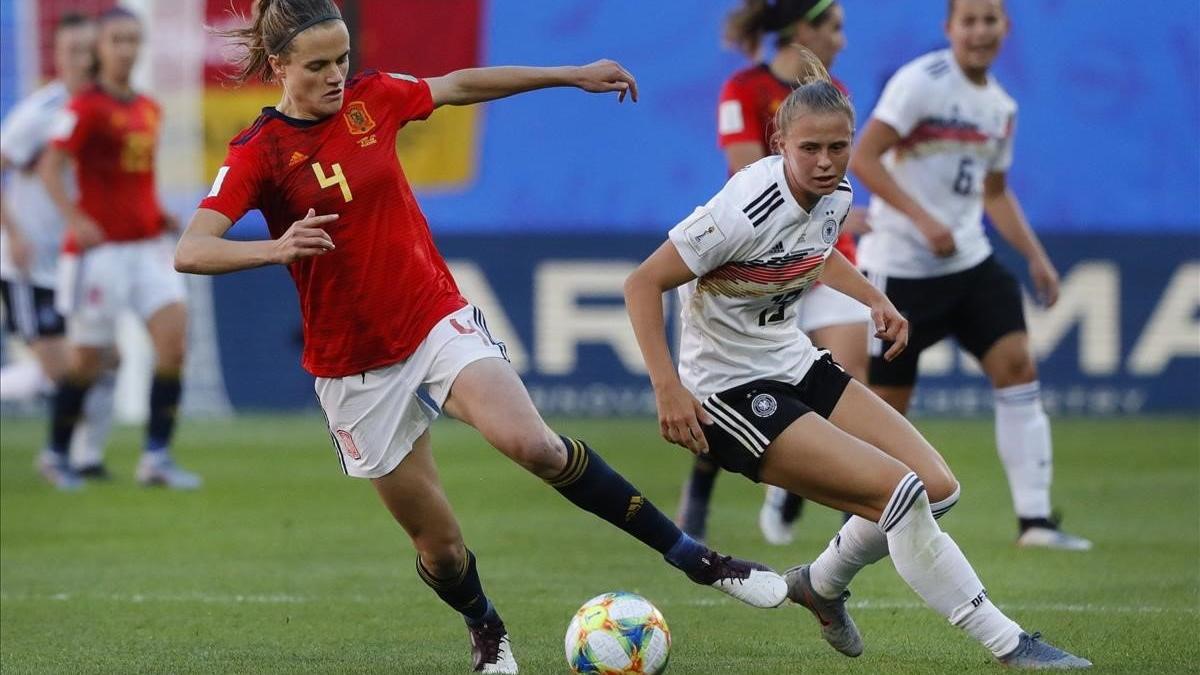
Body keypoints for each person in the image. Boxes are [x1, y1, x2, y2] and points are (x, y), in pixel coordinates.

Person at [175, 1, 786, 672]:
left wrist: (571, 73)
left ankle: (697, 557)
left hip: (433, 318)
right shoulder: (260, 153)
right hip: (353, 369)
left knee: (535, 444)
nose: (335, 76)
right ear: (281, 66)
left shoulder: (372, 100)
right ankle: (485, 625)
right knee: (438, 548)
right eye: (317, 66)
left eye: (342, 59)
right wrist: (276, 248)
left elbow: (461, 84)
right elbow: (193, 249)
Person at [624, 49, 1090, 668]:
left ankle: (819, 583)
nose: (825, 162)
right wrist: (667, 386)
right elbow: (641, 283)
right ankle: (1010, 644)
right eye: (810, 148)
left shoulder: (837, 193)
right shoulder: (740, 208)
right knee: (899, 494)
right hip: (728, 393)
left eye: (838, 147)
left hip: (791, 359)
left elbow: (817, 250)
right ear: (779, 142)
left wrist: (875, 298)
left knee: (939, 489)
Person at [848, 0, 1090, 549]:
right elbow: (864, 158)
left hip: (969, 263)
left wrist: (1035, 255)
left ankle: (1035, 523)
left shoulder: (1001, 106)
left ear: (1006, 27)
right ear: (949, 28)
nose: (981, 31)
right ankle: (856, 531)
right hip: (901, 267)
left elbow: (995, 193)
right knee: (889, 409)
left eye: (991, 19)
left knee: (1017, 364)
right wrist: (922, 219)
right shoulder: (921, 82)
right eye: (970, 20)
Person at [678, 0, 871, 547]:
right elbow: (743, 172)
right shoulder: (743, 88)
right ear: (803, 27)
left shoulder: (834, 96)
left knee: (846, 374)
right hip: (758, 256)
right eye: (834, 27)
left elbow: (833, 183)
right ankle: (700, 488)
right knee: (737, 382)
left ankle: (848, 519)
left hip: (825, 251)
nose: (842, 39)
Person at [38, 7, 199, 491]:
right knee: (88, 361)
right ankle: (57, 453)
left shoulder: (150, 107)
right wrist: (75, 217)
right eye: (117, 41)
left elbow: (137, 181)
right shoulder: (84, 107)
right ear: (100, 49)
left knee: (174, 343)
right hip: (99, 254)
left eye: (133, 39)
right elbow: (50, 167)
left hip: (146, 246)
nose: (126, 49)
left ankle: (156, 456)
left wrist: (159, 212)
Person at [0, 12, 117, 478]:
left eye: (88, 51)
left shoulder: (101, 111)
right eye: (72, 51)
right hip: (31, 265)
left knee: (108, 359)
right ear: (58, 56)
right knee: (65, 372)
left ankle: (86, 459)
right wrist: (14, 233)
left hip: (78, 262)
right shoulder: (38, 114)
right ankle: (63, 455)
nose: (81, 60)